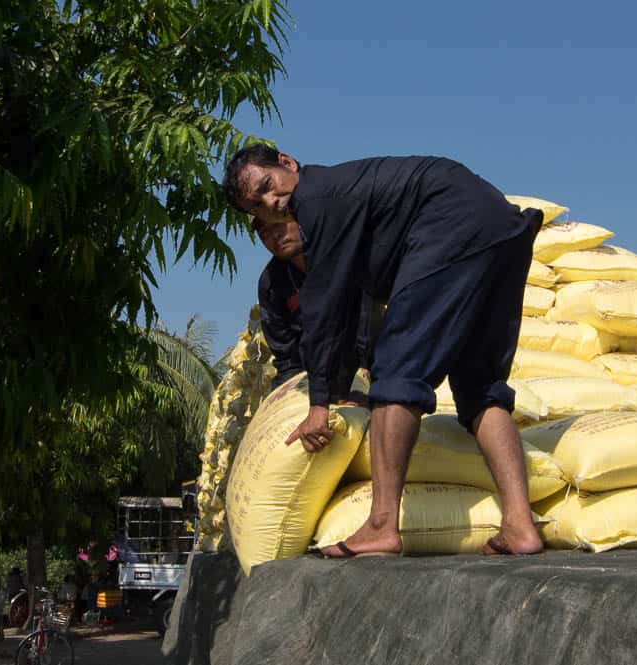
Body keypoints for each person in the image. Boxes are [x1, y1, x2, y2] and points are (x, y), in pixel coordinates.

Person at [223, 145, 544, 557]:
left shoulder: (317, 201)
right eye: (256, 205)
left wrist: (319, 405)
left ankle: (380, 525)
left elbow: (326, 311)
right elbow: (342, 312)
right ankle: (519, 525)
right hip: (500, 227)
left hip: (450, 225)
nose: (271, 203)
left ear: (287, 163)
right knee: (480, 387)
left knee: (395, 372)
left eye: (268, 185)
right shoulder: (335, 200)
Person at [253, 214, 381, 399]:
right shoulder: (271, 284)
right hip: (314, 377)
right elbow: (286, 357)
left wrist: (364, 367)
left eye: (279, 223)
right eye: (264, 232)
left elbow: (368, 315)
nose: (275, 235)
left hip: (374, 363)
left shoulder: (345, 251)